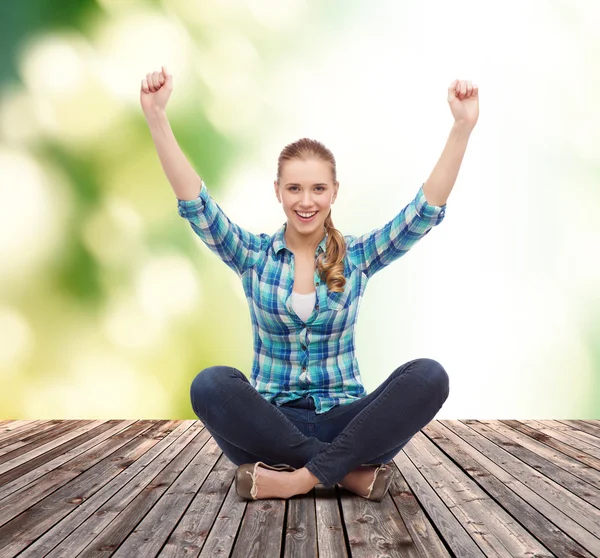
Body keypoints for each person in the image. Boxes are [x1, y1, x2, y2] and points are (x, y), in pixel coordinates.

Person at [141, 66, 478, 501]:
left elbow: (422, 213)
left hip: (348, 423)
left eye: (318, 188)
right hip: (270, 426)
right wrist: (156, 116)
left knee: (430, 376)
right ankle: (347, 474)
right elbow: (196, 205)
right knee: (209, 383)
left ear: (334, 192)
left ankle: (295, 479)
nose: (306, 201)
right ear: (278, 191)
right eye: (295, 188)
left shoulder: (357, 256)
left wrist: (461, 127)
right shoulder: (253, 255)